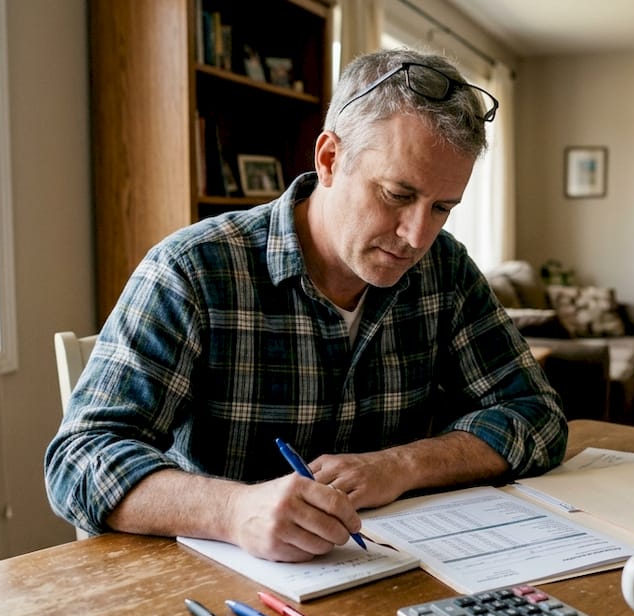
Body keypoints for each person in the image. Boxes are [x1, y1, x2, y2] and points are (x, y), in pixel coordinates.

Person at [45, 48, 568, 562]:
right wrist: (233, 510)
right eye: (396, 195)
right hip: (219, 587)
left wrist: (402, 465)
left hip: (388, 572)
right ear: (329, 159)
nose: (416, 236)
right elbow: (79, 460)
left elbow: (538, 416)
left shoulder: (444, 270)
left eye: (442, 208)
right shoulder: (193, 270)